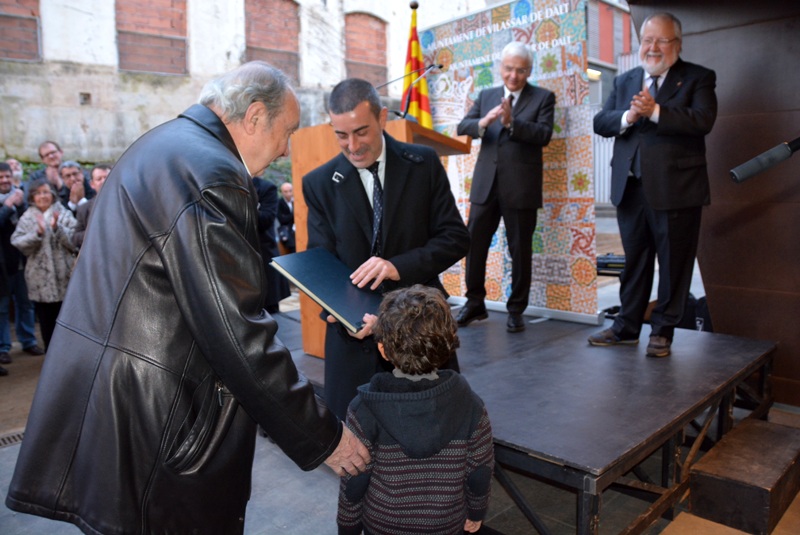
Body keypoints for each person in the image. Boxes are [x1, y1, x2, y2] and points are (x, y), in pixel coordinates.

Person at [5, 61, 369, 534]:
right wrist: (324, 437)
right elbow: (238, 334)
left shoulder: (161, 145)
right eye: (288, 131)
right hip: (159, 418)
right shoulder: (213, 174)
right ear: (256, 116)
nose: (285, 146)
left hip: (112, 403)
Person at [303, 78, 470, 420]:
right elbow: (321, 261)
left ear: (381, 118)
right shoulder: (318, 183)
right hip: (354, 339)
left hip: (420, 331)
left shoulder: (422, 164)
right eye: (341, 135)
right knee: (357, 449)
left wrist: (398, 266)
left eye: (361, 132)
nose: (352, 146)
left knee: (434, 438)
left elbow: (454, 236)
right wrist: (337, 311)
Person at [589, 13, 717, 358]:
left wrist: (656, 110)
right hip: (630, 186)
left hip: (677, 188)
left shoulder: (698, 78)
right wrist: (629, 116)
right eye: (648, 40)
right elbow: (601, 120)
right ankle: (627, 326)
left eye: (662, 41)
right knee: (635, 261)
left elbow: (703, 120)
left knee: (674, 263)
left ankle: (663, 331)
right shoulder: (627, 78)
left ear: (677, 43)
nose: (653, 47)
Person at [337, 285, 494, 535]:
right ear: (447, 346)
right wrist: (476, 512)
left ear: (383, 350)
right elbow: (479, 471)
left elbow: (355, 476)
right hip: (446, 522)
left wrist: (348, 526)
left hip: (382, 523)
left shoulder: (363, 408)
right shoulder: (472, 405)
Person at [455, 41, 556, 333]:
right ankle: (475, 304)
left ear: (529, 71)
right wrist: (484, 122)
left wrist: (512, 123)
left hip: (521, 188)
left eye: (521, 70)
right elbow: (464, 126)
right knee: (473, 246)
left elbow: (544, 134)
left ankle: (516, 309)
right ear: (501, 68)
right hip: (486, 185)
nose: (513, 76)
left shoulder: (543, 97)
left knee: (520, 251)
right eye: (509, 69)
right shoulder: (487, 95)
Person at [10, 178, 78, 349]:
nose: (43, 196)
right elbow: (17, 241)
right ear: (32, 197)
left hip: (65, 276)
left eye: (46, 192)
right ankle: (50, 357)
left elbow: (75, 241)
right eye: (38, 193)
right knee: (46, 321)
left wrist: (57, 229)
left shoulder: (63, 213)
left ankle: (69, 355)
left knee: (67, 318)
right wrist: (37, 233)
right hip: (40, 280)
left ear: (52, 194)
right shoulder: (27, 218)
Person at [0, 163, 45, 364]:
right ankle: (3, 347)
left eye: (7, 176)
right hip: (2, 265)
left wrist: (18, 204)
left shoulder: (21, 197)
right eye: (0, 177)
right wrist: (8, 205)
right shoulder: (9, 201)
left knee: (25, 304)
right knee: (2, 307)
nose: (4, 180)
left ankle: (28, 340)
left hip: (22, 261)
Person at [253, 175, 290, 313]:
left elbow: (265, 220)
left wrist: (242, 203)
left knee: (271, 314)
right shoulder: (226, 182)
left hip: (263, 256)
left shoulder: (265, 188)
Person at [29, 140, 95, 202]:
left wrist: (61, 185)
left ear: (61, 152)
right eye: (46, 155)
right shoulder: (36, 177)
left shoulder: (77, 170)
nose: (51, 156)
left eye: (53, 152)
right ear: (42, 159)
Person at [71, 163, 112, 249]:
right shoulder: (84, 208)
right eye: (99, 179)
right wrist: (94, 232)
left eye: (107, 177)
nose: (103, 181)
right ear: (92, 184)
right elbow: (75, 238)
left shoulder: (128, 203)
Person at [276, 181, 296, 253]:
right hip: (287, 232)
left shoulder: (297, 201)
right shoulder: (279, 203)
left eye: (290, 191)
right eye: (285, 191)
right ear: (282, 192)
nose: (288, 194)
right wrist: (294, 214)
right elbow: (282, 219)